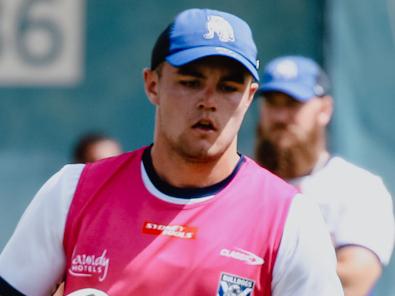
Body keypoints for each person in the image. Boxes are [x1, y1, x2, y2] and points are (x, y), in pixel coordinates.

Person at [0, 10, 343, 296]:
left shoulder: (290, 218)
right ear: (152, 85)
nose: (208, 101)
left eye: (228, 87)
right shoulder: (72, 191)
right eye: (190, 82)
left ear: (250, 96)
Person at [255, 55, 394, 295]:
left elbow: (353, 281)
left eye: (292, 103)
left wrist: (249, 265)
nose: (279, 116)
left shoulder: (359, 188)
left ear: (324, 109)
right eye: (272, 103)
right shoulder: (242, 182)